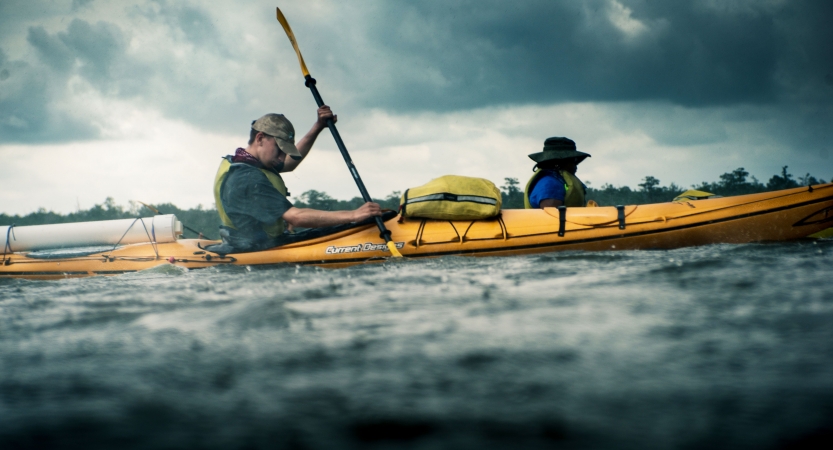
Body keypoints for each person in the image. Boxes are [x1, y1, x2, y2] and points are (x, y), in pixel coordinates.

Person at [211, 106, 382, 252]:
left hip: (252, 241)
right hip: (256, 249)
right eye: (280, 150)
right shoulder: (247, 179)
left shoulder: (243, 161)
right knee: (345, 226)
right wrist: (353, 214)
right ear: (260, 138)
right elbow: (296, 217)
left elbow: (289, 164)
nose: (282, 157)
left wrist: (318, 127)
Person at [523, 137, 591, 209]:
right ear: (558, 163)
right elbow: (552, 217)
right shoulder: (550, 184)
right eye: (573, 161)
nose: (576, 165)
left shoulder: (555, 181)